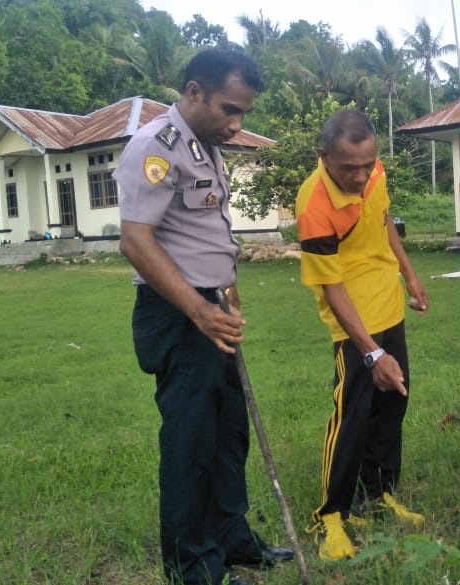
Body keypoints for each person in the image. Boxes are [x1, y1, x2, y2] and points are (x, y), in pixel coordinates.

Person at [115, 49, 293, 585]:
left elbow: (203, 234)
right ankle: (194, 567)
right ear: (194, 92)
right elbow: (135, 240)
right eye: (229, 109)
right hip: (179, 314)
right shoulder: (155, 148)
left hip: (212, 308)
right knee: (191, 443)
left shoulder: (204, 144)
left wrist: (225, 298)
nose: (237, 124)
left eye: (243, 113)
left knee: (227, 434)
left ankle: (233, 540)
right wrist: (198, 309)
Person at [296, 109, 430, 561]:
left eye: (366, 164)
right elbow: (331, 288)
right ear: (324, 156)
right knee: (352, 412)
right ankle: (332, 515)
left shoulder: (374, 171)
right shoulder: (314, 204)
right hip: (351, 318)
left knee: (393, 402)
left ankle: (380, 494)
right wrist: (371, 354)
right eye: (348, 167)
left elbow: (384, 221)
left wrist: (410, 277)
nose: (359, 176)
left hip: (388, 303)